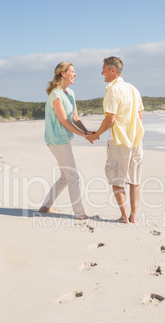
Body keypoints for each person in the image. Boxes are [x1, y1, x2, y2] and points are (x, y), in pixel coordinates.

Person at [88, 57, 144, 223]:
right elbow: (140, 118)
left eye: (104, 69)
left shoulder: (112, 89)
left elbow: (110, 119)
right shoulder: (133, 89)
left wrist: (96, 134)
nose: (102, 72)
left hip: (119, 141)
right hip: (136, 140)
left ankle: (124, 216)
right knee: (134, 179)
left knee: (116, 178)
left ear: (113, 70)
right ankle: (134, 216)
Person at [39, 61, 93, 220]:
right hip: (56, 141)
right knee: (72, 176)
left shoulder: (70, 94)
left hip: (64, 139)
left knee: (65, 176)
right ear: (63, 74)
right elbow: (64, 121)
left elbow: (74, 117)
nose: (75, 74)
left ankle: (45, 207)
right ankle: (80, 213)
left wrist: (86, 131)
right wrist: (84, 136)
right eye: (72, 71)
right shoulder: (55, 95)